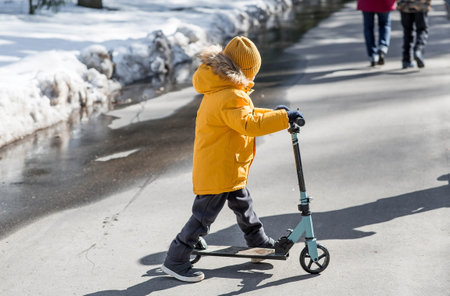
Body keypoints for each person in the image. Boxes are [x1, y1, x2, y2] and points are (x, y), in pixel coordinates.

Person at [161, 36, 304, 283]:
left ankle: (257, 243)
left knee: (243, 206)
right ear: (245, 71)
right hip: (220, 169)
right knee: (202, 218)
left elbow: (245, 115)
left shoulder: (222, 89)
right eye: (253, 72)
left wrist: (278, 114)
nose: (254, 77)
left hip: (227, 167)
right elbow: (249, 123)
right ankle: (175, 260)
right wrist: (284, 119)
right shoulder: (230, 95)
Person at [357, 0, 396, 66]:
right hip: (383, 2)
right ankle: (382, 46)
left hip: (367, 2)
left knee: (368, 27)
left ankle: (373, 55)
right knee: (385, 24)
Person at [397, 0, 432, 68]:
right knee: (422, 29)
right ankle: (418, 50)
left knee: (407, 31)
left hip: (404, 5)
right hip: (420, 4)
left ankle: (406, 59)